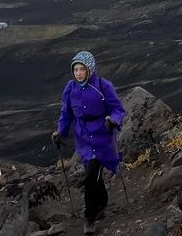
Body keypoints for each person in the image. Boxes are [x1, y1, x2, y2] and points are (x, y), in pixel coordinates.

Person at [51, 51, 125, 236]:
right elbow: (66, 113)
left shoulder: (103, 86)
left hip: (102, 135)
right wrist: (60, 131)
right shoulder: (70, 88)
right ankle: (102, 202)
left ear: (89, 69)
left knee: (91, 175)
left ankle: (89, 217)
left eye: (81, 69)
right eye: (75, 69)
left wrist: (113, 121)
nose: (78, 73)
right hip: (83, 137)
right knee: (93, 175)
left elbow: (117, 108)